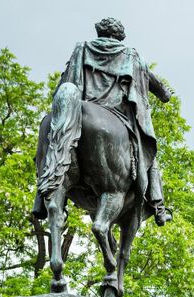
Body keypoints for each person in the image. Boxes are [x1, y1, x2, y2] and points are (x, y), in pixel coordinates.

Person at [35, 17, 172, 225]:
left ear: (100, 33)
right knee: (149, 155)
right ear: (119, 36)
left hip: (77, 115)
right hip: (116, 116)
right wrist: (165, 94)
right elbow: (158, 88)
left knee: (53, 134)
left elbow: (65, 82)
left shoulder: (81, 49)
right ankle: (158, 205)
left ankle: (40, 196)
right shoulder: (131, 55)